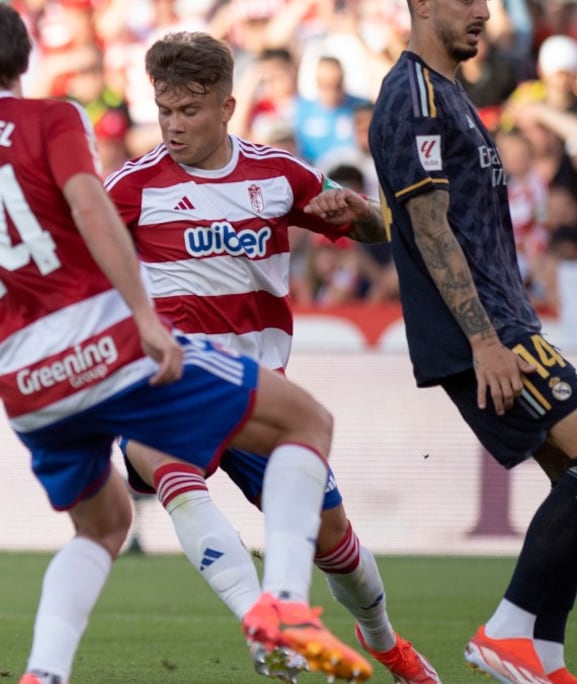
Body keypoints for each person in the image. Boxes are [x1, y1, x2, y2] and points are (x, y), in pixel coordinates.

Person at [0, 3, 371, 683]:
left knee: (101, 528)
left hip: (21, 381)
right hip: (101, 351)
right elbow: (92, 207)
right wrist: (141, 316)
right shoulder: (54, 118)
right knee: (307, 420)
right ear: (25, 60)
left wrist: (22, 309)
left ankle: (44, 673)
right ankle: (278, 608)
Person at [105, 31, 439, 684]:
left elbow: (373, 232)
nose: (173, 126)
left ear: (228, 107)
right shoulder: (130, 189)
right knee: (163, 462)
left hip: (262, 396)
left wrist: (361, 213)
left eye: (189, 112)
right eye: (164, 110)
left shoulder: (278, 175)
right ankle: (265, 620)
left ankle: (385, 643)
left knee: (337, 547)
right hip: (174, 382)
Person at [369, 2, 577, 683]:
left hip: (505, 318)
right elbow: (428, 225)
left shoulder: (449, 92)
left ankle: (542, 654)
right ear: (422, 5)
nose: (483, 10)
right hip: (485, 327)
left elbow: (415, 212)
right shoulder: (415, 93)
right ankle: (507, 629)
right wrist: (486, 340)